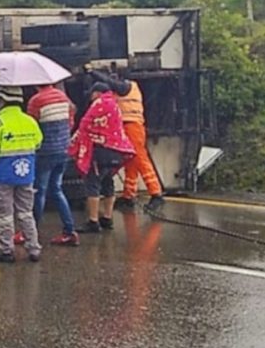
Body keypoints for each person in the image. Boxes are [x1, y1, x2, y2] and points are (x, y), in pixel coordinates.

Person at [0, 86, 44, 263]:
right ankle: (34, 249)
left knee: (4, 215)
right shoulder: (30, 121)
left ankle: (6, 250)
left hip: (3, 176)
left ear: (1, 100)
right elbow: (38, 142)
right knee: (26, 212)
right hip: (26, 174)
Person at [91, 71, 165, 211]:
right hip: (126, 127)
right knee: (130, 161)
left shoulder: (128, 86)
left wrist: (93, 72)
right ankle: (128, 195)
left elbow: (115, 85)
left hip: (132, 126)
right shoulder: (119, 90)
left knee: (140, 158)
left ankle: (156, 194)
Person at [68, 83, 134, 233]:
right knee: (108, 184)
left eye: (91, 94)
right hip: (116, 151)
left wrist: (72, 145)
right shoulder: (114, 104)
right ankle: (107, 218)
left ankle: (93, 220)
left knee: (93, 185)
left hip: (100, 151)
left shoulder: (100, 103)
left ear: (97, 93)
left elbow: (85, 125)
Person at [27, 83, 79, 246]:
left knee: (39, 191)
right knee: (56, 189)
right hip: (63, 150)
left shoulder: (36, 101)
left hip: (45, 151)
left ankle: (30, 232)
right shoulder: (64, 98)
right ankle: (69, 231)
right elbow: (70, 122)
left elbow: (32, 127)